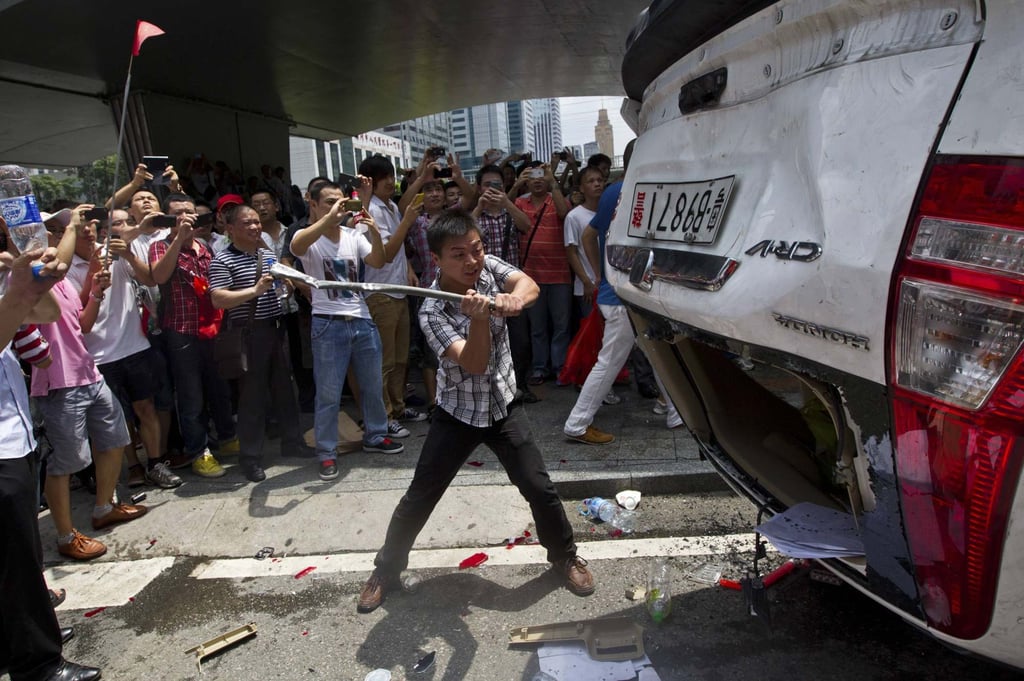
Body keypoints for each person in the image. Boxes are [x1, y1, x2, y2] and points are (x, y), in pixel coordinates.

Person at [358, 209, 594, 613]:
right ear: (437, 259)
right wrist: (480, 320)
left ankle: (564, 556)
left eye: (476, 250)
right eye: (458, 255)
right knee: (420, 496)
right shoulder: (432, 310)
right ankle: (386, 569)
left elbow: (527, 282)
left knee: (539, 488)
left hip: (503, 406)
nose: (471, 261)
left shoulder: (486, 268)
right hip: (458, 414)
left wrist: (514, 298)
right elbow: (473, 363)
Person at [0, 228, 102, 681]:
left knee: (17, 553)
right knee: (17, 558)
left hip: (13, 434)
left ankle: (16, 643)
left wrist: (25, 284)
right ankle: (38, 663)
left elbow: (47, 310)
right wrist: (18, 295)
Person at [289, 180, 404, 482]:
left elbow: (378, 260)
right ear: (312, 204)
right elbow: (296, 248)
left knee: (372, 384)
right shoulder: (307, 236)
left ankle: (376, 435)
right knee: (328, 394)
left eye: (340, 201)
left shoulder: (354, 236)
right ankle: (327, 453)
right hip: (327, 322)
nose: (336, 206)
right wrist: (329, 218)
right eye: (328, 201)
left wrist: (375, 231)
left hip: (362, 319)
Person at [66, 208, 182, 490]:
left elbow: (151, 279)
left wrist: (128, 254)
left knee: (146, 406)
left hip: (134, 344)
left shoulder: (115, 249)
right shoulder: (65, 267)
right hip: (97, 355)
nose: (88, 230)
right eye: (81, 226)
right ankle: (133, 466)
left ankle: (155, 463)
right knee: (120, 417)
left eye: (92, 225)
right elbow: (76, 315)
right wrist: (94, 271)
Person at [209, 204, 312, 482]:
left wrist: (287, 286)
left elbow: (281, 286)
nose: (255, 227)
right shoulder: (222, 261)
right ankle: (251, 457)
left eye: (257, 222)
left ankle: (293, 442)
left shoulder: (266, 254)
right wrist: (254, 291)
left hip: (276, 329)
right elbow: (218, 298)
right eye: (247, 223)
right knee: (252, 398)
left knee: (285, 391)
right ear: (230, 229)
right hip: (249, 334)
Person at [149, 193, 238, 477]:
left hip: (212, 329)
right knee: (191, 396)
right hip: (181, 332)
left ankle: (226, 438)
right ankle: (198, 451)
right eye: (178, 214)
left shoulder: (205, 248)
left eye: (190, 213)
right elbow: (160, 276)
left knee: (220, 388)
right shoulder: (159, 246)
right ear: (168, 219)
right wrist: (178, 239)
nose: (186, 218)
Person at [360, 154, 427, 436]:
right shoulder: (369, 211)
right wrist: (407, 221)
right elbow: (385, 254)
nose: (390, 181)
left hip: (398, 290)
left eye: (390, 175)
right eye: (383, 177)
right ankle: (384, 416)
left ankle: (398, 408)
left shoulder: (388, 206)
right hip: (380, 293)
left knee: (401, 359)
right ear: (370, 182)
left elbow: (398, 251)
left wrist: (409, 268)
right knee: (385, 361)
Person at [471, 164, 535, 403]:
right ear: (479, 187)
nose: (492, 190)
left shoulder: (511, 211)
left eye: (497, 185)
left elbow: (526, 225)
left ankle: (520, 385)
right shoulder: (476, 214)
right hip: (483, 287)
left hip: (512, 287)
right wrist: (479, 207)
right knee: (488, 339)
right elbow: (462, 231)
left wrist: (507, 201)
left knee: (520, 341)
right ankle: (495, 389)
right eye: (487, 185)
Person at [510, 161, 571, 385]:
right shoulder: (519, 202)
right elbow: (505, 209)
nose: (537, 180)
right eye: (532, 176)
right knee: (537, 327)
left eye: (541, 175)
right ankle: (539, 367)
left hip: (559, 275)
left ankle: (559, 367)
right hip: (531, 276)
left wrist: (553, 182)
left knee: (561, 326)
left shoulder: (556, 200)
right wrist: (516, 185)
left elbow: (564, 213)